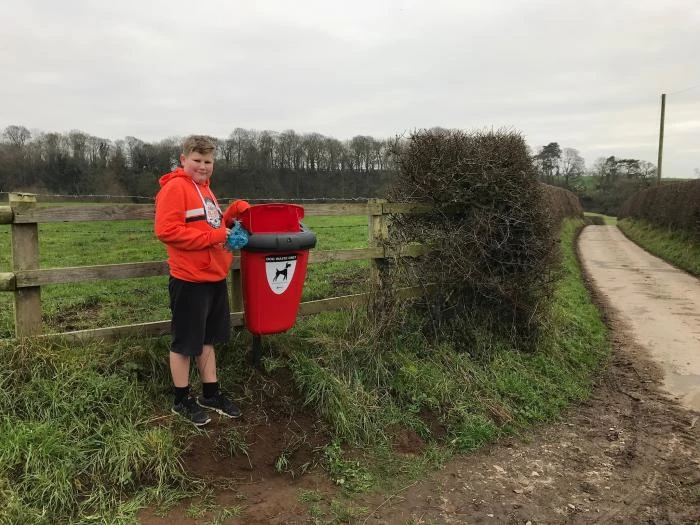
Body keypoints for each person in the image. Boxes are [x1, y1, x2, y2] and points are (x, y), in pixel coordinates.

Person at [154, 135, 250, 426]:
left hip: (213, 276)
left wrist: (231, 215)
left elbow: (213, 225)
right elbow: (167, 231)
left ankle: (210, 393)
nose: (203, 166)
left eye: (208, 161)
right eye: (197, 160)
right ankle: (181, 399)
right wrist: (217, 235)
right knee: (185, 342)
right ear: (183, 160)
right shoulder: (175, 188)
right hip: (189, 279)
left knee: (207, 339)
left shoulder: (206, 191)